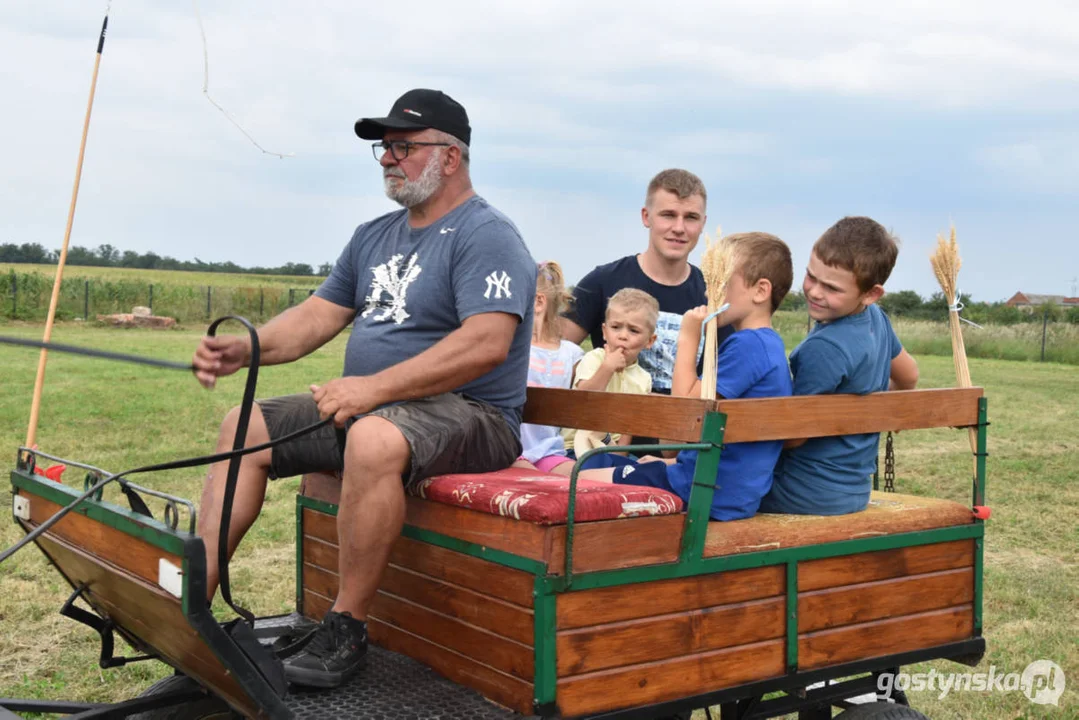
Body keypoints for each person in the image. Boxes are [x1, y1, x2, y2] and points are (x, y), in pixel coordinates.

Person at [190, 88, 536, 689]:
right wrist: (248, 348)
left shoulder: (487, 235)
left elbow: (486, 343)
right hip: (382, 406)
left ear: (450, 157)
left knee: (372, 439)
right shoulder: (373, 236)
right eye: (385, 147)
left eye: (403, 146)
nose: (387, 158)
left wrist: (372, 389)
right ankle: (192, 601)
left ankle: (345, 626)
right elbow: (317, 317)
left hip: (475, 415)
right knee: (243, 427)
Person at [580, 232, 794, 521]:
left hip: (702, 490)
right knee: (615, 464)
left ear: (760, 291)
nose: (709, 294)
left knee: (578, 475)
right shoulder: (768, 345)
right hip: (719, 487)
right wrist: (671, 464)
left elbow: (685, 414)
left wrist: (689, 336)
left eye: (722, 284)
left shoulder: (748, 346)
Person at [761, 216, 919, 516]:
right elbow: (909, 376)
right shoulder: (876, 320)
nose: (815, 292)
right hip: (853, 490)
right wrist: (874, 410)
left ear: (871, 294)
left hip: (800, 491)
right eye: (811, 276)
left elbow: (792, 436)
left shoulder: (826, 347)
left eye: (832, 288)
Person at [560, 168, 732, 394]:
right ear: (646, 216)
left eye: (691, 217)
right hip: (612, 426)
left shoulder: (714, 295)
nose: (679, 228)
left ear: (703, 224)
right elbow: (555, 353)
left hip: (685, 425)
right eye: (668, 215)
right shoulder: (601, 282)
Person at [563, 288, 657, 455]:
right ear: (605, 332)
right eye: (616, 327)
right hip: (576, 447)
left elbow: (629, 425)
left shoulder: (644, 379)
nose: (623, 336)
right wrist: (607, 367)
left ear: (649, 341)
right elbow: (583, 398)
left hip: (611, 450)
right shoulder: (594, 359)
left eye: (633, 330)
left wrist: (620, 456)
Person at [513, 261, 583, 475]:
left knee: (578, 479)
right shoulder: (512, 346)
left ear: (538, 302)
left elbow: (583, 398)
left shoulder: (571, 355)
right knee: (533, 479)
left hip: (548, 452)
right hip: (510, 449)